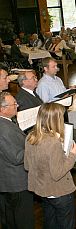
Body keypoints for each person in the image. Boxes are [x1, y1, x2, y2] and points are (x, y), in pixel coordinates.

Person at [25, 103, 76, 229]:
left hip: (43, 190)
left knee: (50, 222)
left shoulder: (31, 137)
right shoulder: (53, 142)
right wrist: (72, 155)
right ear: (56, 119)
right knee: (66, 225)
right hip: (59, 191)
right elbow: (57, 173)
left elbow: (28, 166)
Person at [0, 92, 34, 229]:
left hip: (7, 181)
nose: (17, 106)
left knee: (9, 218)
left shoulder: (7, 123)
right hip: (15, 183)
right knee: (22, 220)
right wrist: (34, 147)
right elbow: (17, 157)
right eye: (14, 104)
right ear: (2, 109)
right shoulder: (4, 128)